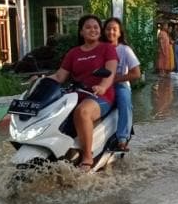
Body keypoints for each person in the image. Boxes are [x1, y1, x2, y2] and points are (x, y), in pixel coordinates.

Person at [45, 15, 118, 170]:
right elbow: (59, 76)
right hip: (75, 96)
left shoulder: (107, 48)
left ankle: (87, 157)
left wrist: (103, 86)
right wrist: (41, 80)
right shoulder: (73, 53)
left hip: (101, 96)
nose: (93, 30)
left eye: (96, 27)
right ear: (81, 32)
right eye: (88, 27)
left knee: (82, 112)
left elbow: (110, 72)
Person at [103, 17, 141, 151]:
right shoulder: (99, 48)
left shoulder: (125, 50)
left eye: (114, 29)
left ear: (120, 33)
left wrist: (115, 79)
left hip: (120, 84)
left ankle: (122, 139)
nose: (111, 32)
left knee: (125, 102)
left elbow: (136, 73)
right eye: (108, 29)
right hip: (100, 84)